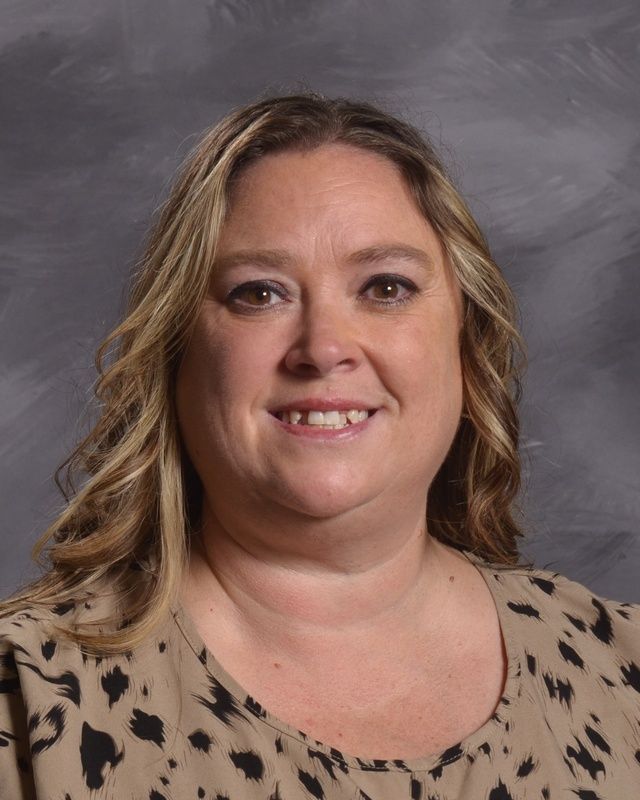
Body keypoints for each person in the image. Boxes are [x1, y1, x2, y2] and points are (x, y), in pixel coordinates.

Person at [1, 92, 638, 800]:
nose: (324, 348)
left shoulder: (624, 673)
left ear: (467, 342)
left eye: (386, 287)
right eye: (259, 294)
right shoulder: (27, 697)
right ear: (175, 353)